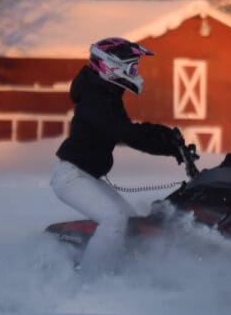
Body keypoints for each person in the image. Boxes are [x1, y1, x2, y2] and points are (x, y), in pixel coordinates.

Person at [50, 37, 183, 275]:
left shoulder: (106, 94)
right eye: (132, 66)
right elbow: (125, 132)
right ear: (112, 66)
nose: (135, 72)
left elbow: (127, 129)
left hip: (87, 177)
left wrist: (167, 137)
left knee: (132, 223)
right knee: (114, 220)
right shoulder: (95, 99)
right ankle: (91, 281)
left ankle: (123, 274)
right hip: (72, 178)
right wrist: (166, 144)